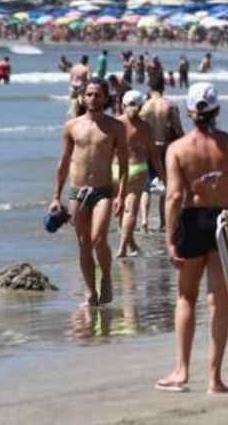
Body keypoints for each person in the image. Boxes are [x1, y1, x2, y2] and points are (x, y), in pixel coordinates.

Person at [155, 82, 228, 394]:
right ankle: (214, 378)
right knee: (218, 301)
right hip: (225, 223)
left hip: (192, 220)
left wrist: (169, 236)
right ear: (217, 110)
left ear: (190, 112)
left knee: (186, 297)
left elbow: (174, 196)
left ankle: (181, 371)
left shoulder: (178, 149)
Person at [50, 78, 128, 306]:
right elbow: (63, 163)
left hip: (103, 191)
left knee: (98, 238)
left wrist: (121, 195)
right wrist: (56, 197)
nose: (93, 99)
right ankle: (90, 291)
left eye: (97, 95)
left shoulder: (116, 127)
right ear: (83, 97)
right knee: (83, 242)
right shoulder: (72, 126)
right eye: (89, 94)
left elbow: (123, 164)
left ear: (106, 98)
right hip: (77, 192)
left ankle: (106, 279)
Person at [115, 90, 165, 258]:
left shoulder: (115, 124)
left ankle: (132, 245)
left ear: (123, 105)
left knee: (121, 211)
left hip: (114, 170)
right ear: (142, 106)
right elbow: (154, 156)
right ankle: (123, 248)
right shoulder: (145, 128)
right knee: (130, 212)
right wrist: (163, 176)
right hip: (136, 169)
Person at [139, 72, 184, 233]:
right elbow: (178, 130)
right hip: (166, 149)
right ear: (163, 87)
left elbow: (138, 130)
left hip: (147, 149)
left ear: (149, 87)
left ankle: (144, 220)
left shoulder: (143, 106)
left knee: (146, 187)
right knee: (166, 186)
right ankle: (163, 223)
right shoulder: (170, 105)